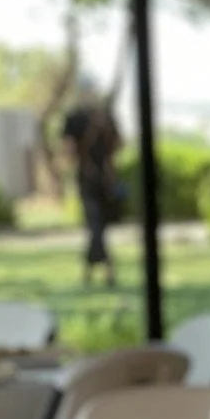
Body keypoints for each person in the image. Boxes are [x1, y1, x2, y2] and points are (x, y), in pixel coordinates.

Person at [62, 97, 123, 288]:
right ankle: (107, 269)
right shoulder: (75, 118)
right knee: (96, 225)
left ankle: (91, 270)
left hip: (104, 180)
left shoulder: (107, 117)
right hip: (90, 178)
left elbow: (118, 144)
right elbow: (69, 149)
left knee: (98, 227)